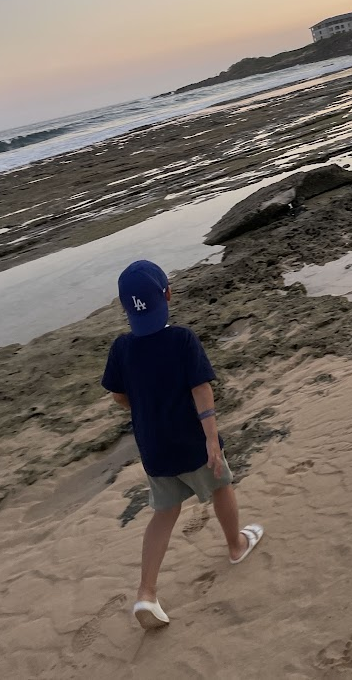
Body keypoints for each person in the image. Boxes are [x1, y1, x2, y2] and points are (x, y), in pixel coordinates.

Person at [101, 259, 263, 630]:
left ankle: (146, 592)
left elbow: (119, 397)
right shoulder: (182, 339)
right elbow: (201, 390)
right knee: (221, 486)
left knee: (164, 513)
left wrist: (144, 406)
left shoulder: (122, 348)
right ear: (168, 295)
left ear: (124, 307)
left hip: (154, 448)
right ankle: (236, 545)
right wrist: (212, 440)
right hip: (191, 441)